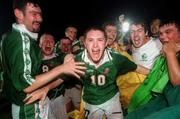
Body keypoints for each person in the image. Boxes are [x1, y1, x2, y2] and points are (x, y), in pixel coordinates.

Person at [1, 0, 86, 119]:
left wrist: (67, 58)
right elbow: (26, 84)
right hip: (29, 107)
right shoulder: (22, 41)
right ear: (19, 14)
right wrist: (62, 68)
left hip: (33, 102)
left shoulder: (9, 37)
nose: (40, 18)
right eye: (34, 13)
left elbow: (63, 60)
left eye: (39, 14)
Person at [74, 27, 149, 119]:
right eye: (90, 40)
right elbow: (61, 76)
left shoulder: (116, 59)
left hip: (112, 99)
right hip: (91, 101)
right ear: (85, 43)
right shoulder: (77, 60)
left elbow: (136, 68)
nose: (95, 46)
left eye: (100, 40)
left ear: (106, 43)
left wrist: (155, 74)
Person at [125, 19, 180, 119]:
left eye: (168, 32)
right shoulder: (131, 48)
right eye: (161, 33)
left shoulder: (158, 45)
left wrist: (170, 52)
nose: (163, 37)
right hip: (158, 100)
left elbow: (177, 82)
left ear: (146, 33)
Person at [102, 21, 146, 112]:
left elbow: (133, 66)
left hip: (131, 91)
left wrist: (154, 75)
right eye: (109, 31)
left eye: (114, 31)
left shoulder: (118, 50)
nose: (112, 34)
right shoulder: (95, 51)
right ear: (102, 32)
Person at [39, 33, 68, 119]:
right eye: (45, 41)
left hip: (58, 97)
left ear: (54, 45)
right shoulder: (34, 61)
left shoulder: (61, 58)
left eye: (51, 41)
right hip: (42, 99)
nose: (48, 43)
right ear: (40, 44)